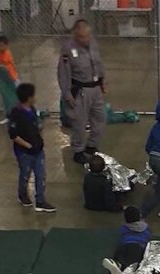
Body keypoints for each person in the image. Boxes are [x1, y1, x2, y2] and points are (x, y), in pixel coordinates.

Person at [58, 19, 107, 165]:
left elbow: (98, 63)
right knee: (79, 122)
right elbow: (63, 72)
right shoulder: (68, 49)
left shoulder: (93, 43)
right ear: (75, 34)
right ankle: (78, 150)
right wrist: (67, 94)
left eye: (87, 36)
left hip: (96, 88)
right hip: (81, 91)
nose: (85, 40)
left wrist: (102, 81)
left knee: (100, 119)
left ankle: (91, 146)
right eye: (81, 37)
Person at [8, 83, 56, 213]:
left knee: (40, 175)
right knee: (25, 174)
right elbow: (13, 135)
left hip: (38, 150)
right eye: (33, 95)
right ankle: (22, 194)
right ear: (29, 97)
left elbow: (35, 126)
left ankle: (40, 200)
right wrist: (28, 145)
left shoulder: (32, 109)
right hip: (24, 153)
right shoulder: (16, 113)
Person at [101, 206, 151, 274]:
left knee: (118, 259)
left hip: (124, 246)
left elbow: (122, 234)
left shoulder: (124, 227)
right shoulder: (146, 227)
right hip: (138, 247)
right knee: (133, 266)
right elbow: (148, 237)